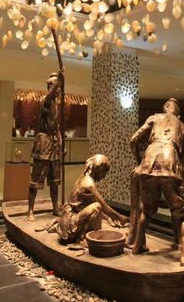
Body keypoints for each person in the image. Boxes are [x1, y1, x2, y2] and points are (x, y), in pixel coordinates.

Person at [127, 98, 184, 266]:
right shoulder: (182, 126)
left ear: (165, 108)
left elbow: (133, 140)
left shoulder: (154, 118)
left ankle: (137, 246)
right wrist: (183, 183)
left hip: (148, 162)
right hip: (170, 163)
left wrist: (139, 163)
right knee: (183, 212)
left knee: (147, 209)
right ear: (178, 114)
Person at [50, 154, 128, 243]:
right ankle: (88, 238)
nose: (104, 176)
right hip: (70, 225)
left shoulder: (83, 178)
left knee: (95, 207)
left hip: (67, 220)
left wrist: (108, 219)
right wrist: (121, 218)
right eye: (104, 172)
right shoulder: (89, 184)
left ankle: (85, 235)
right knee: (97, 206)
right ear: (99, 170)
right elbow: (105, 207)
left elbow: (84, 206)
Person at [27, 70, 63, 220]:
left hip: (54, 143)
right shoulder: (45, 100)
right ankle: (30, 210)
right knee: (36, 178)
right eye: (55, 86)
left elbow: (56, 126)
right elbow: (50, 96)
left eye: (59, 87)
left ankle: (55, 207)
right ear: (50, 87)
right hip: (43, 143)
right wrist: (59, 79)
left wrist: (60, 143)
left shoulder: (57, 104)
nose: (58, 89)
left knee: (55, 180)